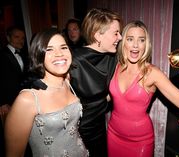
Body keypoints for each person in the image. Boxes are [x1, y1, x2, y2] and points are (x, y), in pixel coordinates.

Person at [107, 20, 179, 157]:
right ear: (123, 41)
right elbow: (109, 96)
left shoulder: (152, 73)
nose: (136, 45)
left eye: (141, 40)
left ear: (146, 45)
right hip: (113, 134)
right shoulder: (114, 66)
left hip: (139, 141)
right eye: (130, 39)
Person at [4, 28, 89, 157]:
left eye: (63, 47)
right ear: (38, 55)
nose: (59, 54)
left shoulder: (67, 81)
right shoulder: (27, 99)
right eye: (49, 49)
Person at [69, 8, 122, 157]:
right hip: (76, 132)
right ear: (98, 35)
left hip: (99, 128)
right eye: (116, 33)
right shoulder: (73, 60)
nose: (120, 37)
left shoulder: (113, 57)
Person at [0, 26, 28, 156]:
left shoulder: (23, 54)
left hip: (22, 103)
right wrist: (2, 103)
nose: (21, 40)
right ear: (8, 38)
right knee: (11, 138)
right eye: (17, 37)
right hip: (8, 103)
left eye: (22, 38)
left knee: (23, 134)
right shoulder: (1, 55)